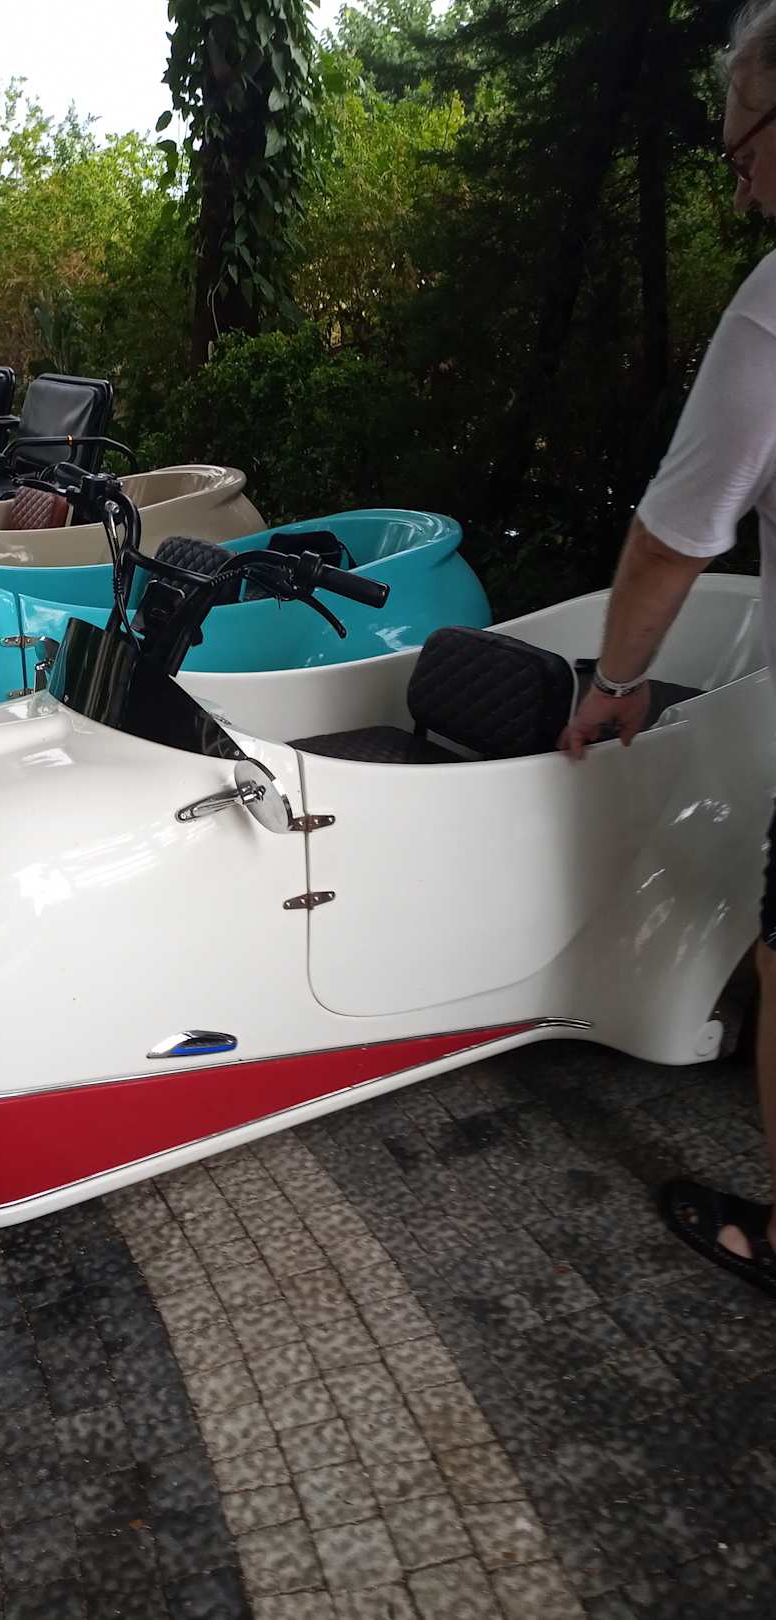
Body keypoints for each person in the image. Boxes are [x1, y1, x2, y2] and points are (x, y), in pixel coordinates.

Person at [560, 0, 776, 1293]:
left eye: (741, 137)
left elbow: (670, 540)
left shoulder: (773, 311)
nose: (734, 171)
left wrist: (618, 683)